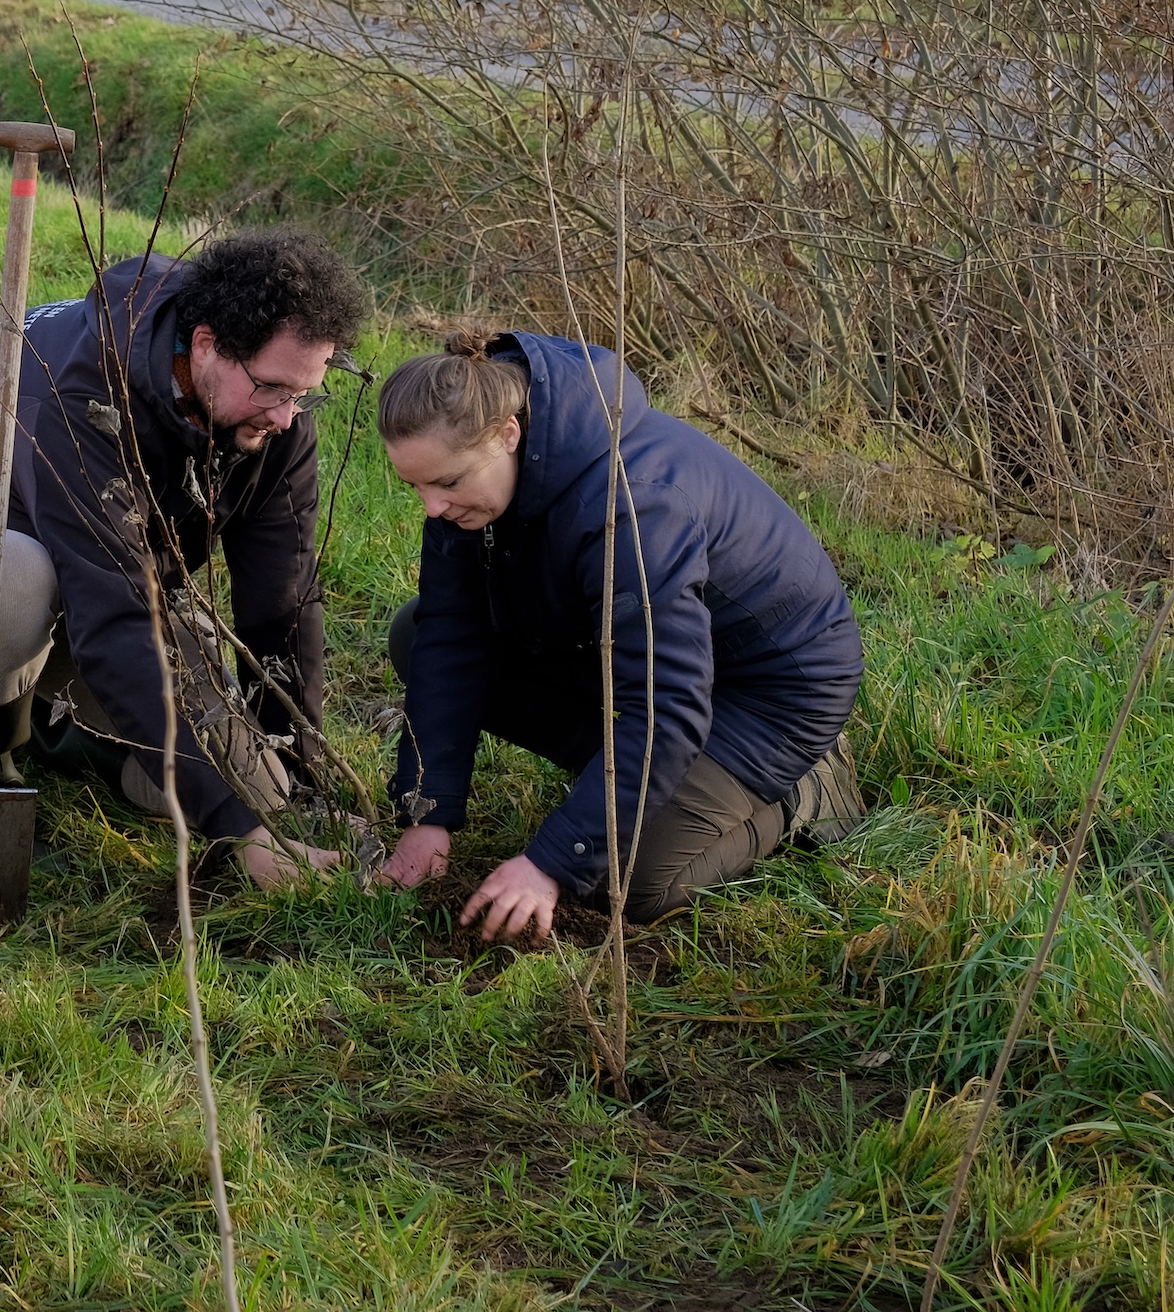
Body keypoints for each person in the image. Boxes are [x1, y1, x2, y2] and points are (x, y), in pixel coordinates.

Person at [0, 228, 368, 887]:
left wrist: (294, 783)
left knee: (252, 784)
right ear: (204, 346)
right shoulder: (81, 394)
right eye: (273, 389)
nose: (288, 416)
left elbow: (281, 601)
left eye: (305, 393)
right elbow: (118, 622)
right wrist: (242, 839)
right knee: (15, 581)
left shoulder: (271, 419)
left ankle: (57, 724)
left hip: (93, 582)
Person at [372, 330, 868, 941]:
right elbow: (452, 632)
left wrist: (552, 862)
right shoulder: (471, 487)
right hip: (634, 656)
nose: (432, 508)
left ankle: (805, 792)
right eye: (415, 487)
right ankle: (649, 782)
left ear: (508, 433)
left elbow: (667, 703)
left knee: (631, 883)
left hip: (767, 694)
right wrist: (428, 810)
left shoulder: (634, 507)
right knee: (414, 635)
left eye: (446, 484)